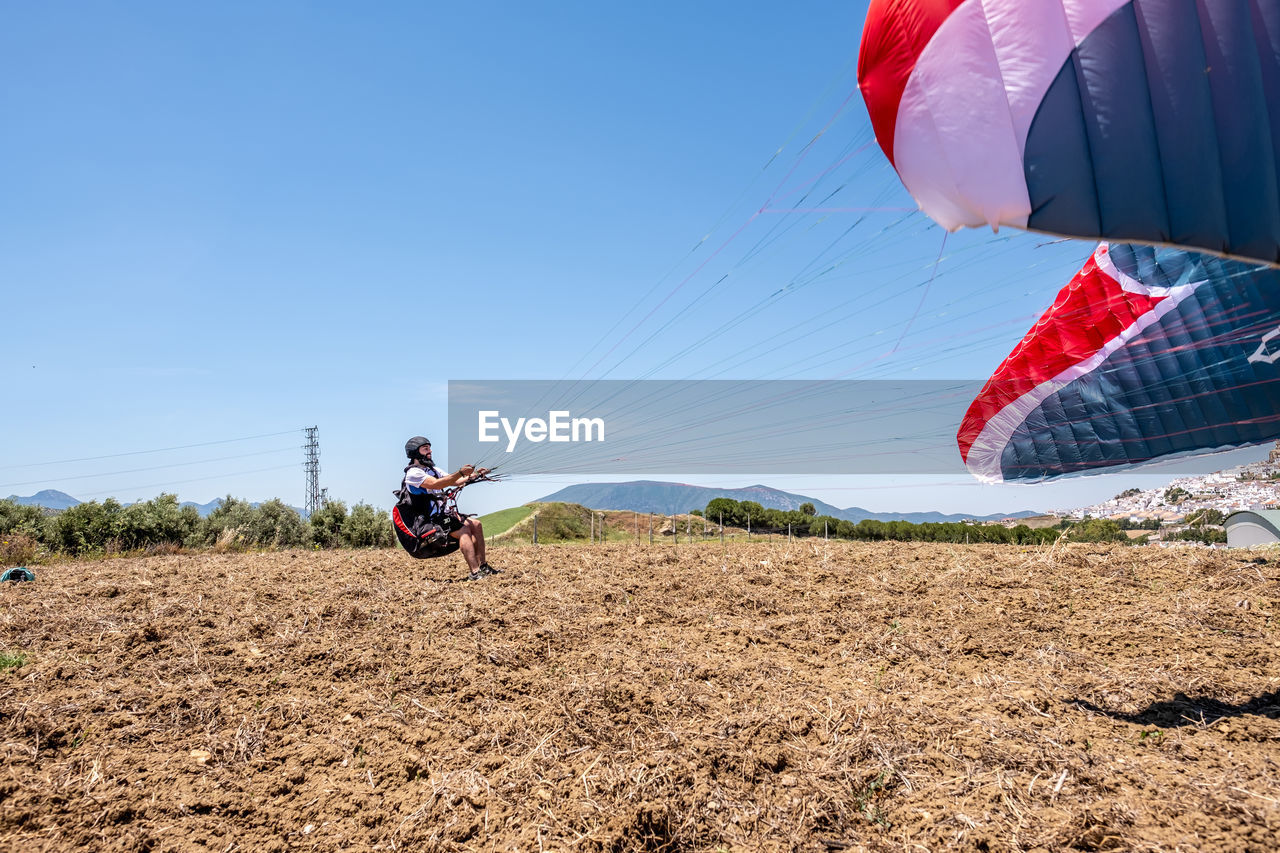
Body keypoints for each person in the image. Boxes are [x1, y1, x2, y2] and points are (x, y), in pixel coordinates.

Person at [394, 436, 501, 580]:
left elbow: (455, 481)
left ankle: (483, 567)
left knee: (476, 524)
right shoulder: (413, 474)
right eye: (425, 449)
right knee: (464, 530)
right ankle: (475, 572)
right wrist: (461, 472)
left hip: (439, 517)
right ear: (415, 453)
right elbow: (437, 484)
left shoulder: (433, 470)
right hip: (426, 522)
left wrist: (475, 475)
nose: (430, 451)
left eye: (430, 448)